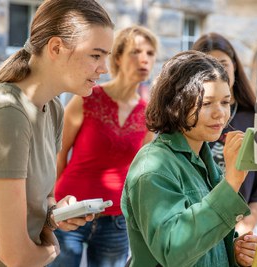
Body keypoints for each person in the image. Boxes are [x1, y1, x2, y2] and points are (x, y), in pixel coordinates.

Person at [0, 0, 115, 266]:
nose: (104, 68)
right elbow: (16, 255)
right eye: (96, 55)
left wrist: (56, 212)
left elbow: (40, 199)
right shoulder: (6, 114)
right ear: (56, 48)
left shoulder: (54, 108)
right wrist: (52, 249)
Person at [121, 50, 257, 267]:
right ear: (175, 105)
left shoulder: (203, 160)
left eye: (225, 102)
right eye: (206, 103)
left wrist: (235, 252)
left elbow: (203, 243)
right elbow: (172, 250)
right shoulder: (153, 166)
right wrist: (232, 181)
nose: (220, 114)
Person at [50, 25, 157, 267]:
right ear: (117, 57)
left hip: (117, 220)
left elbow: (139, 171)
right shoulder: (87, 97)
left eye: (150, 54)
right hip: (70, 210)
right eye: (136, 51)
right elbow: (59, 152)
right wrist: (54, 202)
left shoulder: (149, 115)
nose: (144, 59)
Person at [192, 32, 257, 236]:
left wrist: (244, 228)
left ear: (234, 65)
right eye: (207, 66)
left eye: (223, 63)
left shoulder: (256, 118)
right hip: (199, 226)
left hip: (242, 229)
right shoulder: (190, 120)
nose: (217, 71)